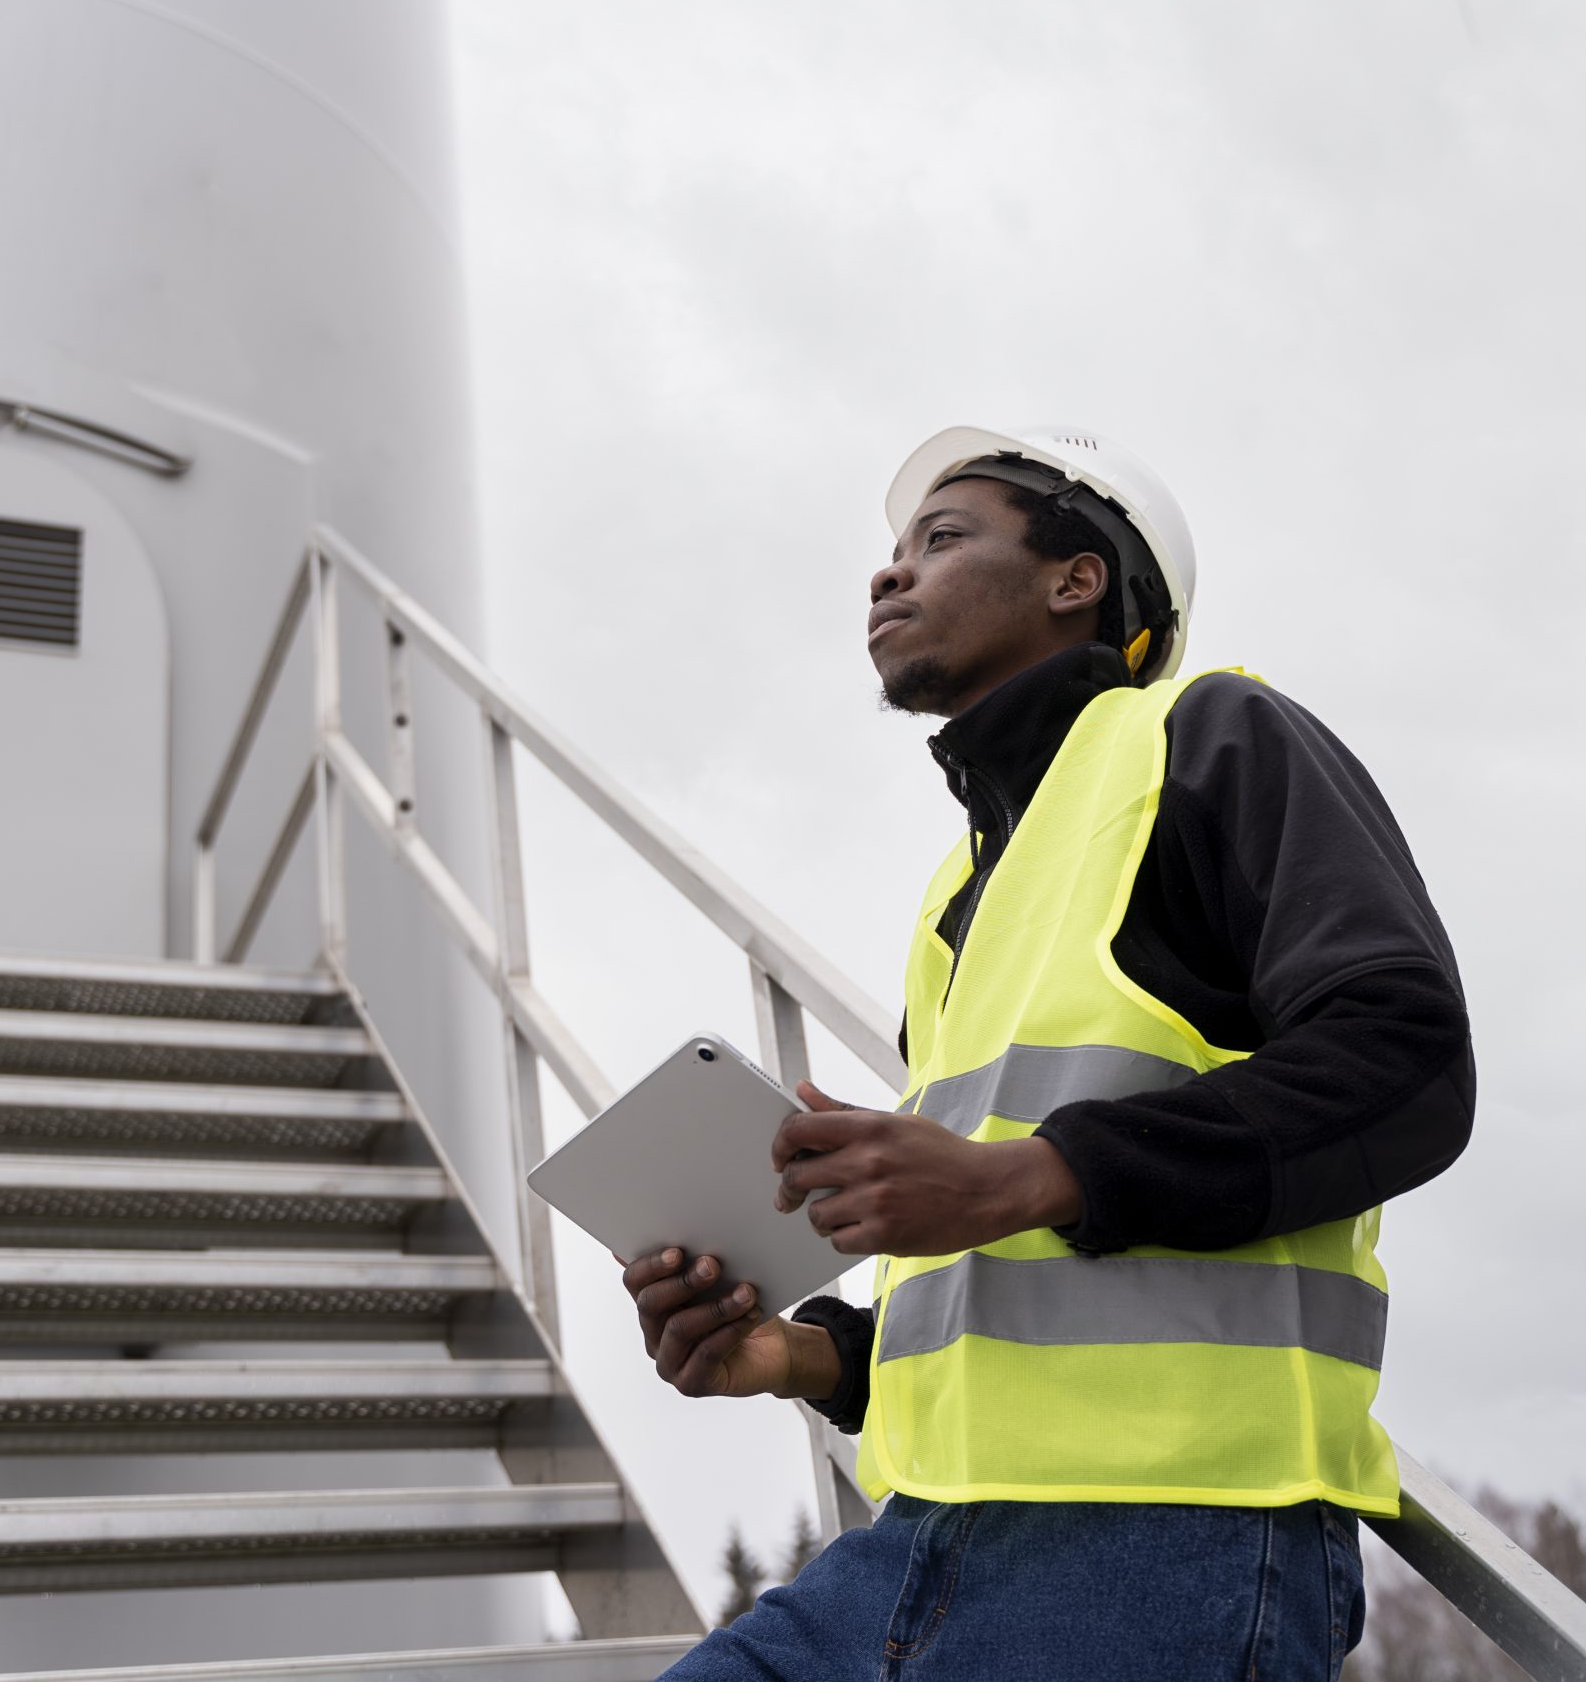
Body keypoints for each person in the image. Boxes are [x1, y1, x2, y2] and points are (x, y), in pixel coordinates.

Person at [626, 426, 1475, 1681]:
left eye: (942, 538)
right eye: (889, 553)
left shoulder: (1211, 736)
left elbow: (1405, 1061)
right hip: (908, 1537)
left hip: (1169, 1544)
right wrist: (805, 1356)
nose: (889, 575)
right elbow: (1004, 1283)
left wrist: (1017, 1177)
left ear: (1076, 579)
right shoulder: (957, 894)